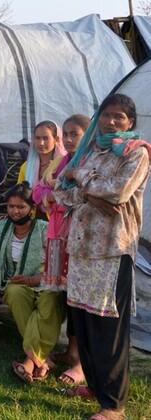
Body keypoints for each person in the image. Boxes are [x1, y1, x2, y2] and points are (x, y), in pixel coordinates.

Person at [54, 94, 150, 418]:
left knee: (109, 328)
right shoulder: (92, 149)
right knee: (84, 322)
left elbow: (118, 191)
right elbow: (59, 189)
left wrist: (80, 179)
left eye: (119, 117)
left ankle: (113, 406)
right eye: (107, 115)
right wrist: (89, 192)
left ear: (130, 123)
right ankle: (95, 385)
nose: (111, 122)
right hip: (82, 248)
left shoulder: (137, 153)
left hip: (112, 250)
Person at [33, 113, 90, 386]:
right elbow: (41, 190)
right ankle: (71, 351)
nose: (68, 139)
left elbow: (77, 197)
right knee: (66, 297)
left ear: (87, 135)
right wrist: (47, 195)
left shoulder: (88, 162)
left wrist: (53, 194)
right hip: (59, 236)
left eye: (74, 134)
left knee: (79, 299)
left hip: (77, 240)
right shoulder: (63, 161)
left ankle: (81, 363)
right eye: (65, 134)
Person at [0, 183, 60, 384]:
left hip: (45, 281)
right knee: (14, 293)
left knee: (50, 299)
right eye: (11, 206)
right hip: (15, 283)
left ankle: (33, 361)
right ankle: (44, 357)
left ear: (32, 208)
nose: (15, 211)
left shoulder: (45, 229)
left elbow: (55, 267)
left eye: (21, 207)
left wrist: (33, 279)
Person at [18, 120, 66, 188]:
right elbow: (19, 192)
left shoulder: (64, 164)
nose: (41, 143)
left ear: (56, 140)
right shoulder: (26, 167)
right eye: (37, 138)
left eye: (46, 138)